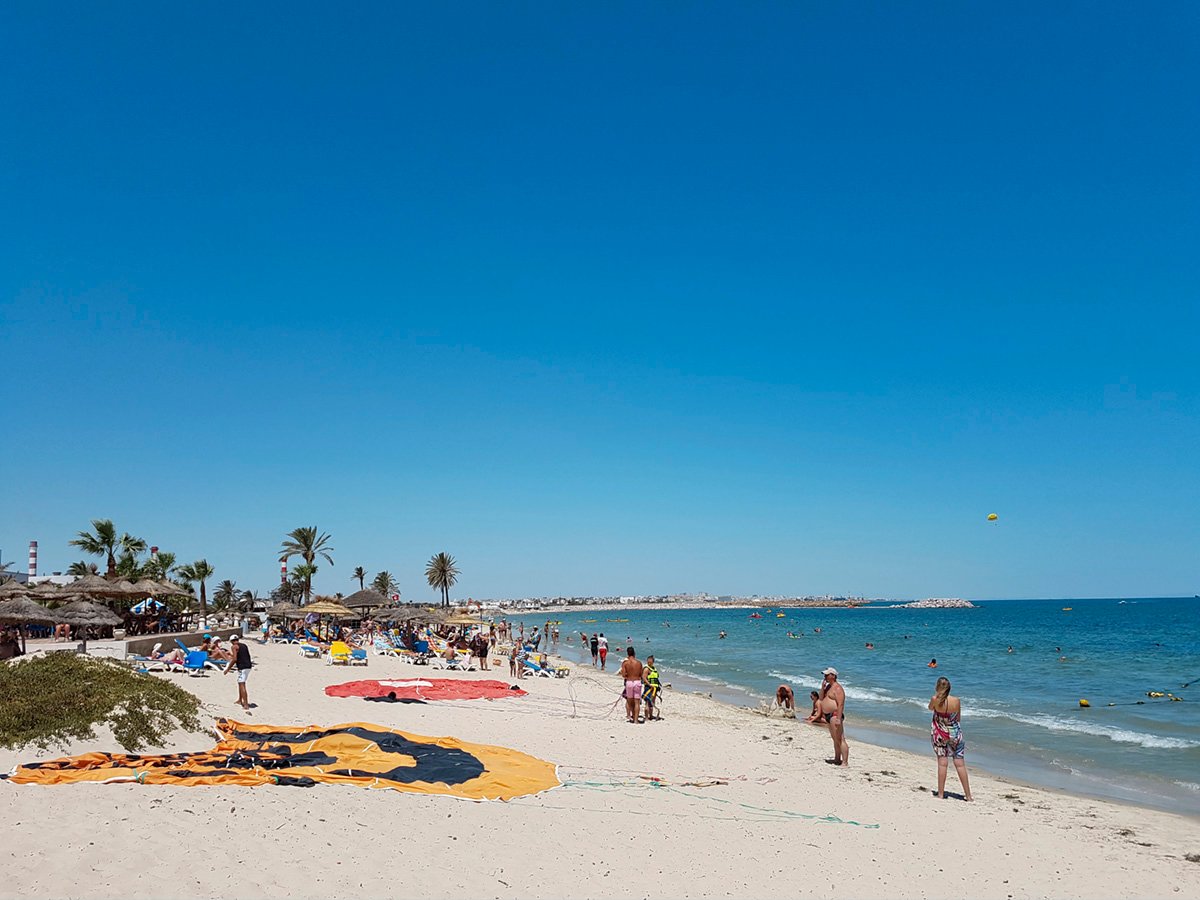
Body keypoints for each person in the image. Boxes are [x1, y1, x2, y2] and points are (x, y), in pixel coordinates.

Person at [929, 676, 972, 801]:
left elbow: (930, 708)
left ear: (937, 687)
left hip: (940, 734)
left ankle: (941, 794)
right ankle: (968, 796)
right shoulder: (956, 700)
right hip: (955, 733)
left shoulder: (935, 699)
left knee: (942, 764)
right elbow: (958, 718)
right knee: (960, 764)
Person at [819, 667, 849, 766]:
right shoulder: (828, 687)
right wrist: (822, 688)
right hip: (828, 715)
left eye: (827, 675)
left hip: (835, 715)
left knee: (840, 738)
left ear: (833, 676)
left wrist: (838, 719)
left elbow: (840, 704)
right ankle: (837, 758)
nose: (825, 677)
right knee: (835, 738)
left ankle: (845, 762)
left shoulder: (838, 688)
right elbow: (821, 698)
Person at [222, 634, 253, 712]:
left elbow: (235, 659)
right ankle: (240, 700)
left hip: (242, 667)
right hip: (248, 666)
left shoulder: (234, 647)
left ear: (231, 641)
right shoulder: (244, 645)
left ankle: (246, 704)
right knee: (240, 683)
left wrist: (228, 669)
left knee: (242, 684)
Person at [618, 647, 644, 723]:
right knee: (637, 702)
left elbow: (623, 674)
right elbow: (641, 674)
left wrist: (628, 676)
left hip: (629, 682)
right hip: (637, 682)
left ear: (627, 653)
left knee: (629, 701)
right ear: (634, 653)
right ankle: (636, 720)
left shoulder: (625, 663)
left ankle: (630, 716)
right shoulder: (639, 663)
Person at [643, 655, 661, 722]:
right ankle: (646, 717)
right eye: (648, 662)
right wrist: (649, 685)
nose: (649, 663)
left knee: (652, 702)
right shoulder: (646, 669)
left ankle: (651, 715)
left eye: (650, 662)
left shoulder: (654, 669)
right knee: (647, 702)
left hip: (655, 688)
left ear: (653, 662)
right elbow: (644, 678)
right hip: (648, 688)